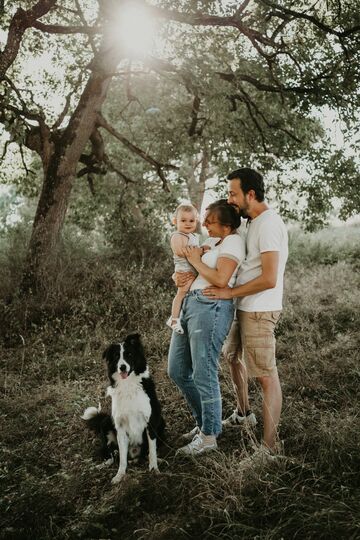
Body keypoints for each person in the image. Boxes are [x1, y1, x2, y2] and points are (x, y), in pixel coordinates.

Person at [204, 168, 288, 457]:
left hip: (260, 310)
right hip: (245, 306)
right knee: (231, 357)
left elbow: (269, 278)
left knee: (266, 376)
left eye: (233, 193)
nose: (229, 199)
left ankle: (269, 449)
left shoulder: (268, 225)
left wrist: (228, 292)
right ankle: (244, 413)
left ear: (250, 194)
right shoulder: (251, 222)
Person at [168, 201, 245, 456]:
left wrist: (194, 260)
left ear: (225, 224)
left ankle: (209, 435)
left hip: (211, 307)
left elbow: (221, 279)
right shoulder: (212, 242)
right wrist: (178, 276)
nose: (205, 226)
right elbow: (187, 266)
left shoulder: (233, 242)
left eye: (209, 222)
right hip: (190, 302)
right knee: (177, 370)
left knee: (204, 371)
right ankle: (204, 423)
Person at [166, 203, 200, 334]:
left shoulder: (193, 236)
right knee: (181, 293)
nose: (188, 223)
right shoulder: (177, 236)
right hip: (183, 269)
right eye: (183, 220)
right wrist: (199, 251)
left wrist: (200, 250)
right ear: (175, 221)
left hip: (191, 269)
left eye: (191, 220)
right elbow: (179, 251)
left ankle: (180, 315)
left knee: (187, 293)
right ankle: (174, 319)